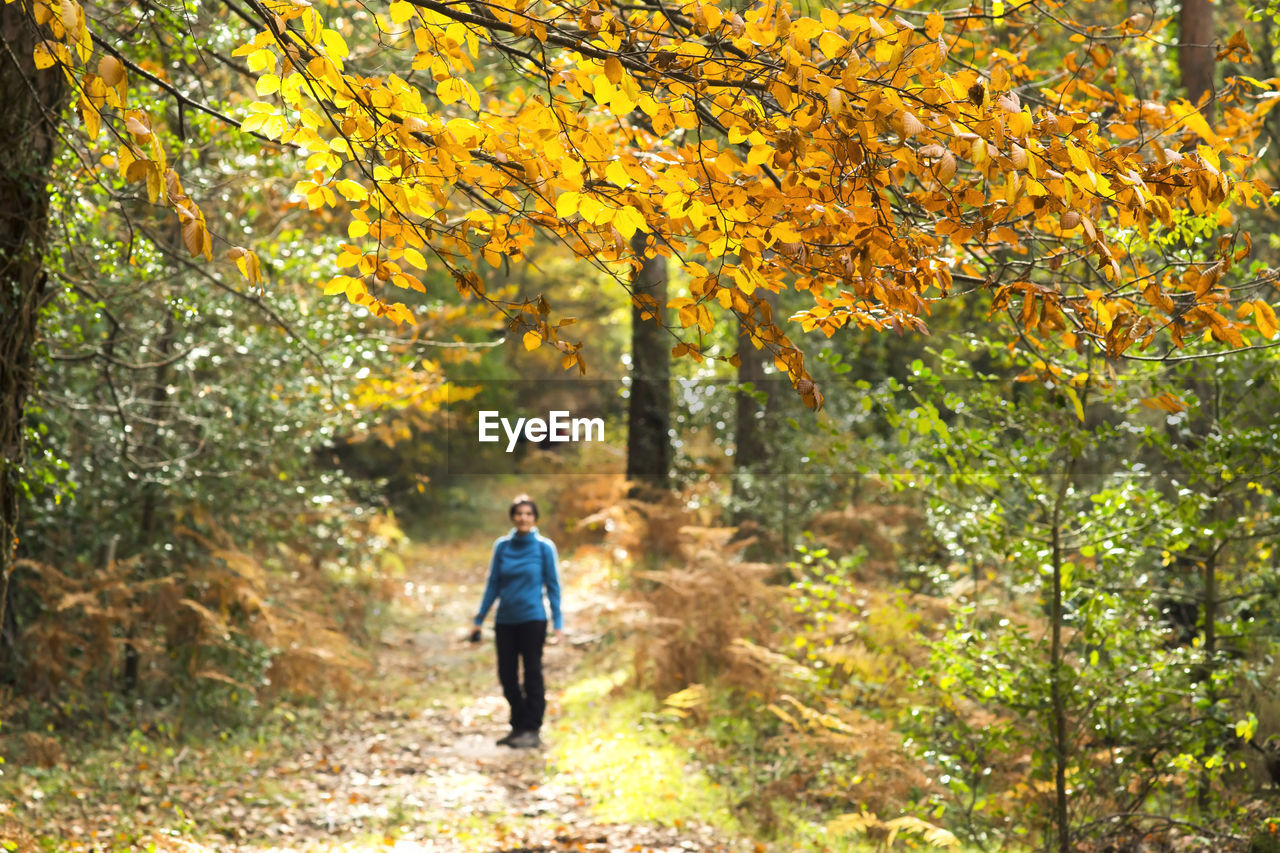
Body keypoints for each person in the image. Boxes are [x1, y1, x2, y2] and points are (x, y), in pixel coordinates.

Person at [469, 494, 563, 748]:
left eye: (528, 514)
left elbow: (553, 587)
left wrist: (558, 623)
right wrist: (479, 619)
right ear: (513, 516)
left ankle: (532, 728)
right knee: (507, 675)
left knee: (532, 673)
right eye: (519, 513)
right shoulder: (502, 546)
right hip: (505, 621)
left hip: (533, 619)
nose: (524, 518)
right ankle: (518, 724)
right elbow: (493, 584)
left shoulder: (544, 548)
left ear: (534, 518)